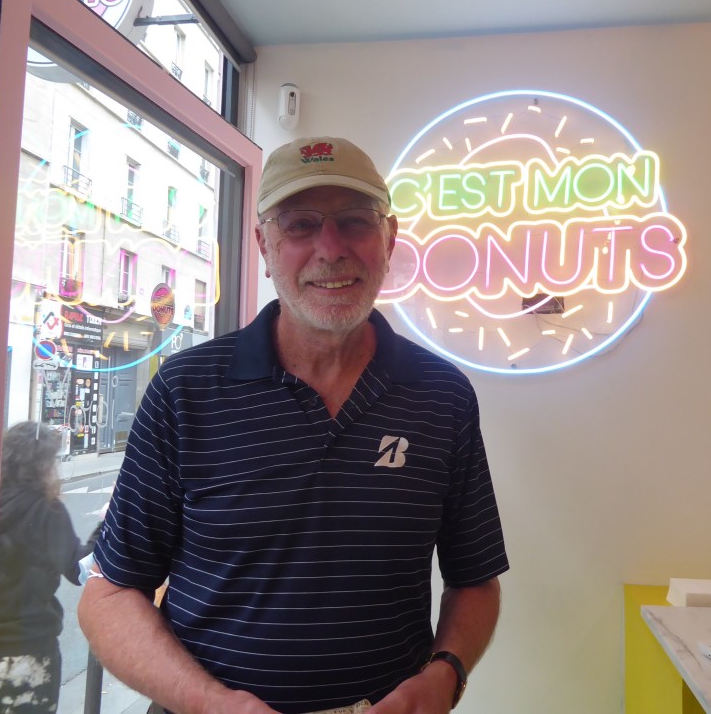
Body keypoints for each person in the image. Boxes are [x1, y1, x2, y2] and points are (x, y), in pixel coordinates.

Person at [78, 136, 509, 714]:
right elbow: (109, 594)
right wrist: (211, 703)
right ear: (263, 243)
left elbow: (475, 579)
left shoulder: (441, 395)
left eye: (354, 221)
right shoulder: (186, 390)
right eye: (300, 225)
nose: (330, 250)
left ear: (389, 237)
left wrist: (445, 676)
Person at [0, 421, 99, 713]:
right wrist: (106, 526)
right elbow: (80, 570)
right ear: (41, 465)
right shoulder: (46, 510)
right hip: (29, 650)